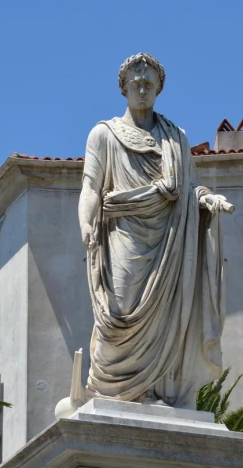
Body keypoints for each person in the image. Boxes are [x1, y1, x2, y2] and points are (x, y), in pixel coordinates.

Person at [78, 52, 233, 408]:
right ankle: (111, 390)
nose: (142, 90)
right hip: (123, 237)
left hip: (169, 242)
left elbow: (190, 187)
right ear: (123, 88)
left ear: (160, 87)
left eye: (149, 84)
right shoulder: (104, 135)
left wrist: (206, 201)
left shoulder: (175, 138)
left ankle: (153, 391)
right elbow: (90, 187)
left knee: (164, 318)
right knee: (119, 315)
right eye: (136, 83)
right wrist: (86, 223)